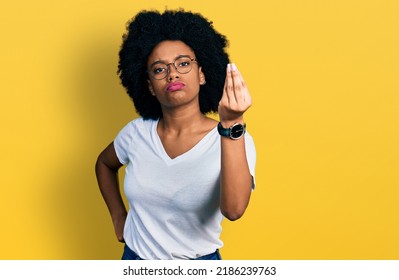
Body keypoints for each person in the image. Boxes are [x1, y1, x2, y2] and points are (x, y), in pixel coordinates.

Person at [95, 9, 256, 260]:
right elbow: (104, 164)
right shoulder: (137, 132)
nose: (172, 74)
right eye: (159, 69)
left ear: (202, 73)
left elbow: (234, 210)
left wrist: (232, 122)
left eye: (183, 63)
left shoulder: (231, 138)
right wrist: (118, 216)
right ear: (149, 85)